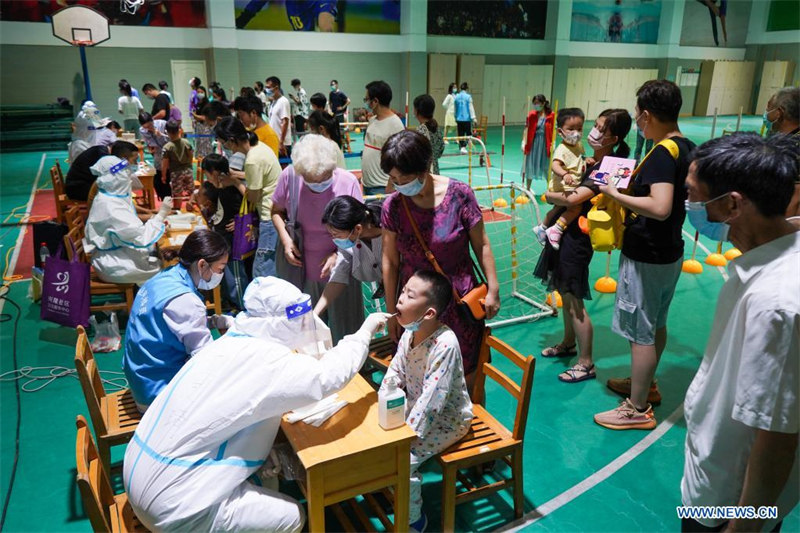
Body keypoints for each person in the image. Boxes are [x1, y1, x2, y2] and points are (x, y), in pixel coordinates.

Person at [122, 276, 391, 532]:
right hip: (174, 507)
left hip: (137, 470)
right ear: (280, 324)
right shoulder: (269, 361)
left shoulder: (228, 343)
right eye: (299, 320)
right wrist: (364, 333)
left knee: (269, 470)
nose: (304, 326)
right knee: (293, 516)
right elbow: (327, 377)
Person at [681, 132, 799, 533]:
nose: (691, 207)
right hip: (712, 477)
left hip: (727, 503)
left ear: (732, 203)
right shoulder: (765, 259)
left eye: (695, 196)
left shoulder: (777, 302)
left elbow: (776, 434)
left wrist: (745, 525)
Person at [594, 80, 696, 430]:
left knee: (640, 331)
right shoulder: (685, 147)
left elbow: (660, 206)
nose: (637, 121)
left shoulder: (662, 152)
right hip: (670, 253)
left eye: (639, 115)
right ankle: (646, 385)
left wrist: (614, 193)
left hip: (647, 256)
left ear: (648, 114)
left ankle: (636, 409)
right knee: (657, 323)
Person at [381, 130, 501, 388]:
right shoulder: (393, 206)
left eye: (404, 178)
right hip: (415, 311)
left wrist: (493, 288)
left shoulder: (459, 195)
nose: (398, 185)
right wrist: (392, 312)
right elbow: (390, 261)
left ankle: (466, 425)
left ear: (424, 168)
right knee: (417, 380)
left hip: (459, 307)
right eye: (393, 179)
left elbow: (482, 245)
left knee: (466, 379)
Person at [534, 109, 632, 383]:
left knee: (574, 297)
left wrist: (548, 194)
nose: (593, 132)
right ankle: (568, 342)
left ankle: (586, 362)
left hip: (580, 238)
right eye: (596, 125)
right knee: (565, 292)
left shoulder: (612, 167)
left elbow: (575, 197)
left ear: (614, 137)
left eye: (601, 128)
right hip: (567, 234)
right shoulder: (592, 161)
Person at [379, 270, 473, 531]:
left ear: (429, 313)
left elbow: (432, 404)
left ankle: (414, 520)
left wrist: (404, 438)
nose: (399, 300)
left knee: (402, 459)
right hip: (415, 411)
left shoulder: (445, 345)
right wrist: (384, 398)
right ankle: (392, 488)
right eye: (403, 291)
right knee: (377, 440)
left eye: (409, 296)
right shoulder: (410, 333)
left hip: (448, 420)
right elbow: (395, 370)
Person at [123, 229, 231, 412]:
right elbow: (206, 359)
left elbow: (170, 323)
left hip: (141, 377)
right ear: (202, 265)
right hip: (156, 393)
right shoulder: (186, 301)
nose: (221, 274)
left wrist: (213, 321)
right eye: (220, 269)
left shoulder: (166, 276)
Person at [271, 134, 364, 342]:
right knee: (306, 333)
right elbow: (276, 211)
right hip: (301, 269)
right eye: (313, 181)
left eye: (325, 179)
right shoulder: (290, 177)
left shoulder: (347, 182)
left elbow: (361, 230)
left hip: (343, 267)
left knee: (347, 332)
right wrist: (286, 241)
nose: (320, 184)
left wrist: (337, 254)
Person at [83, 156, 171, 285]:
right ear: (115, 178)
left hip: (117, 256)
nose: (129, 177)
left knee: (157, 257)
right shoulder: (110, 206)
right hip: (115, 265)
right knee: (166, 269)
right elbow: (141, 237)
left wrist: (155, 219)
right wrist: (161, 215)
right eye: (125, 173)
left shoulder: (108, 196)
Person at [214, 117, 281, 278]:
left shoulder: (252, 160)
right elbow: (259, 174)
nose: (224, 147)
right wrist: (236, 174)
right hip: (276, 212)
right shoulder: (259, 147)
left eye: (223, 143)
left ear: (231, 141)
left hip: (267, 216)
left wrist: (235, 182)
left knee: (262, 271)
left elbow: (253, 197)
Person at [315, 195, 383, 316]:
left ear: (357, 229)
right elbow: (338, 276)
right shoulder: (350, 242)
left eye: (337, 235)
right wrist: (315, 313)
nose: (334, 239)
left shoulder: (390, 230)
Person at [199, 154, 249, 309]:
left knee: (236, 276)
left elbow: (249, 202)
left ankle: (243, 306)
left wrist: (240, 221)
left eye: (207, 173)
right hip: (224, 238)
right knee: (229, 274)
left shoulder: (232, 187)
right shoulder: (218, 187)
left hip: (234, 240)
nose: (207, 177)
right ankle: (233, 302)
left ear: (213, 172)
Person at [533, 107, 587, 250]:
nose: (576, 133)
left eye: (579, 128)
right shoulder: (562, 149)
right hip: (562, 186)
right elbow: (555, 166)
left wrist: (587, 161)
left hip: (569, 185)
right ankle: (556, 228)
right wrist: (564, 174)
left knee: (558, 208)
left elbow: (579, 159)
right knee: (575, 207)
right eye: (570, 129)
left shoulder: (578, 145)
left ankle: (542, 227)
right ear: (560, 131)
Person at [361, 81, 405, 195]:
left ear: (375, 101)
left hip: (381, 187)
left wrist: (390, 186)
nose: (366, 103)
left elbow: (400, 160)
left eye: (367, 99)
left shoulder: (395, 124)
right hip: (367, 184)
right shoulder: (372, 120)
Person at [763, 87, 800, 217]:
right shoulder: (784, 139)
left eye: (769, 108)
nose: (766, 113)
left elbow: (793, 197)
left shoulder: (787, 150)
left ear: (779, 113)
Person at [66, 140, 137, 201]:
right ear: (123, 157)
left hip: (83, 184)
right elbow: (111, 172)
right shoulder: (102, 155)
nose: (135, 163)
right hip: (77, 189)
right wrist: (125, 163)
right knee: (114, 196)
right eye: (134, 160)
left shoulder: (103, 151)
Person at [521, 94, 554, 189]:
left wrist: (553, 143)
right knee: (530, 165)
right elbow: (526, 129)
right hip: (533, 143)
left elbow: (553, 131)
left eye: (537, 103)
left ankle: (550, 189)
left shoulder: (551, 115)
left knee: (546, 167)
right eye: (534, 103)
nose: (536, 105)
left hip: (545, 144)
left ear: (543, 103)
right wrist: (524, 141)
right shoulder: (531, 115)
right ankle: (527, 188)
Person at [161, 119, 194, 210]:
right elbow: (191, 155)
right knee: (191, 190)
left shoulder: (167, 147)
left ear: (167, 132)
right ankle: (191, 205)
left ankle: (177, 209)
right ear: (179, 129)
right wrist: (189, 165)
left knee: (177, 193)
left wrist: (163, 175)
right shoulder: (186, 142)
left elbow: (165, 163)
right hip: (188, 170)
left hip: (176, 172)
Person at [138, 111, 171, 200]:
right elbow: (150, 143)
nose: (149, 128)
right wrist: (151, 146)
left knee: (167, 177)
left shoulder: (162, 124)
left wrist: (160, 135)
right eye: (146, 127)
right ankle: (163, 197)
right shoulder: (142, 130)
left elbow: (172, 139)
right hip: (158, 154)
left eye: (150, 125)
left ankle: (169, 198)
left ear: (152, 120)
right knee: (158, 179)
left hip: (170, 152)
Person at [413, 94, 444, 174]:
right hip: (436, 171)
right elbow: (440, 152)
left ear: (417, 111)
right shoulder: (438, 129)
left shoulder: (420, 131)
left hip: (425, 173)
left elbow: (416, 156)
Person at [265, 76, 293, 157]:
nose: (266, 90)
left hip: (283, 144)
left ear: (276, 87)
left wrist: (281, 142)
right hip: (274, 141)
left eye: (268, 87)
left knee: (283, 168)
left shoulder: (283, 101)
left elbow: (285, 122)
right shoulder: (273, 102)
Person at [191, 86, 214, 159]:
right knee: (199, 144)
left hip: (206, 127)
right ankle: (200, 160)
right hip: (198, 127)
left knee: (206, 144)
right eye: (198, 92)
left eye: (202, 92)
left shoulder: (207, 104)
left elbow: (205, 117)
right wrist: (194, 120)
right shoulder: (197, 104)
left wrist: (195, 116)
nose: (200, 94)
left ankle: (207, 159)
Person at [454, 82, 476, 154]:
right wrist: (474, 118)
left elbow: (455, 108)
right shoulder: (468, 97)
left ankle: (461, 147)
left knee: (460, 134)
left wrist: (455, 116)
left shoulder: (456, 97)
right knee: (469, 134)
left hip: (459, 119)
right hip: (466, 119)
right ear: (467, 88)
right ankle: (465, 146)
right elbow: (471, 108)